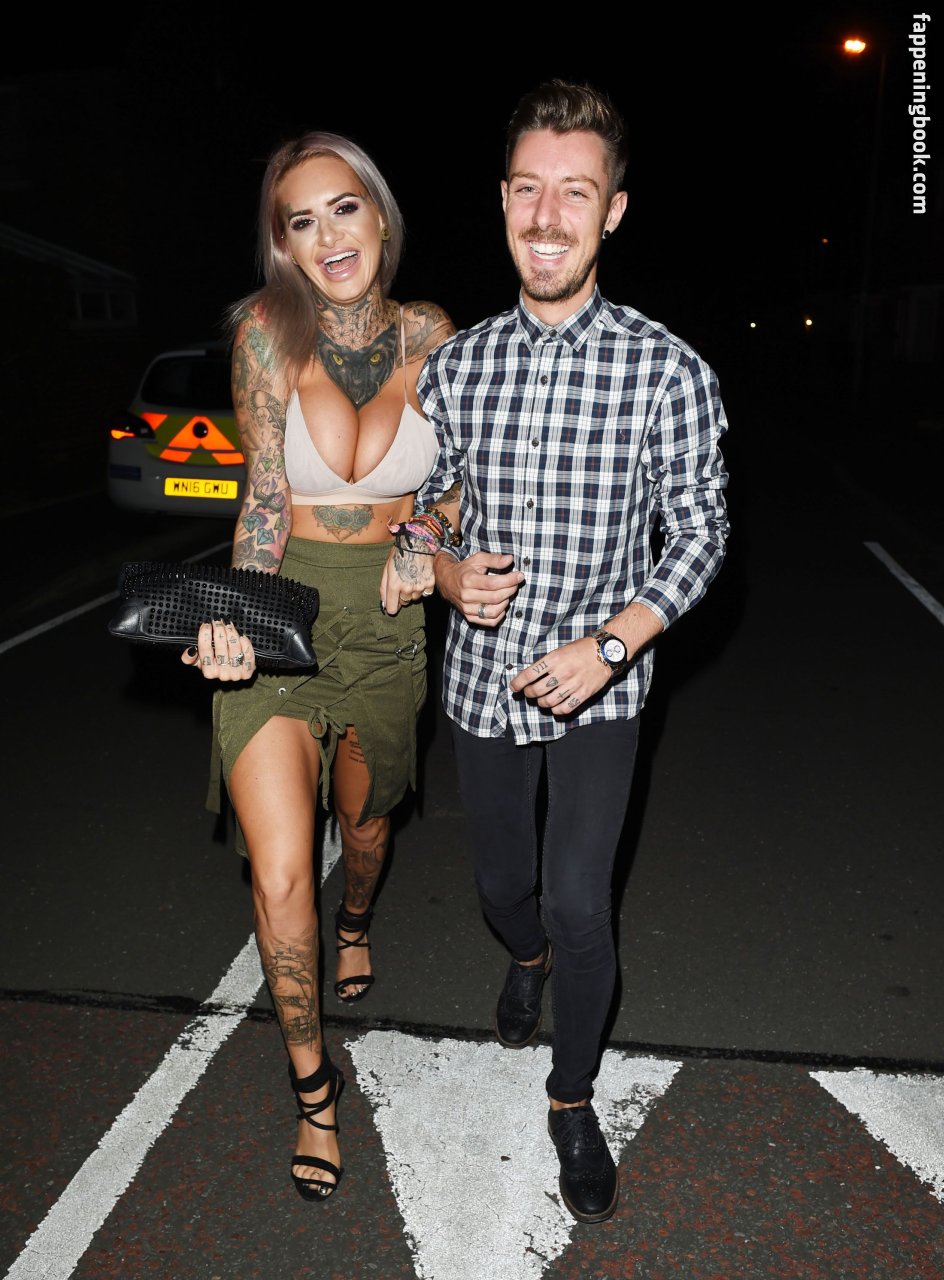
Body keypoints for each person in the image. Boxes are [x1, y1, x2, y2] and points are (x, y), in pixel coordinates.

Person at [395, 80, 730, 1223]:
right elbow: (430, 500)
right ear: (501, 200)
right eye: (528, 190)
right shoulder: (457, 365)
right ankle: (522, 955)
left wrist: (613, 643)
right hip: (480, 680)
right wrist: (440, 566)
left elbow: (700, 531)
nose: (546, 217)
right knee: (507, 889)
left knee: (582, 903)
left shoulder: (667, 371)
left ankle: (571, 1097)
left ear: (612, 211)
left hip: (600, 687)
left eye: (573, 193)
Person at [181, 130, 453, 1202]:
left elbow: (465, 480)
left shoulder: (434, 334)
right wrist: (240, 617)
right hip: (284, 607)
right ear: (283, 245)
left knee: (366, 828)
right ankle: (313, 1090)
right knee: (282, 867)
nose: (328, 235)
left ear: (379, 215)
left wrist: (423, 538)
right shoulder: (263, 333)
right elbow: (262, 498)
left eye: (344, 208)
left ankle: (356, 921)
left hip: (385, 622)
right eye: (302, 220)